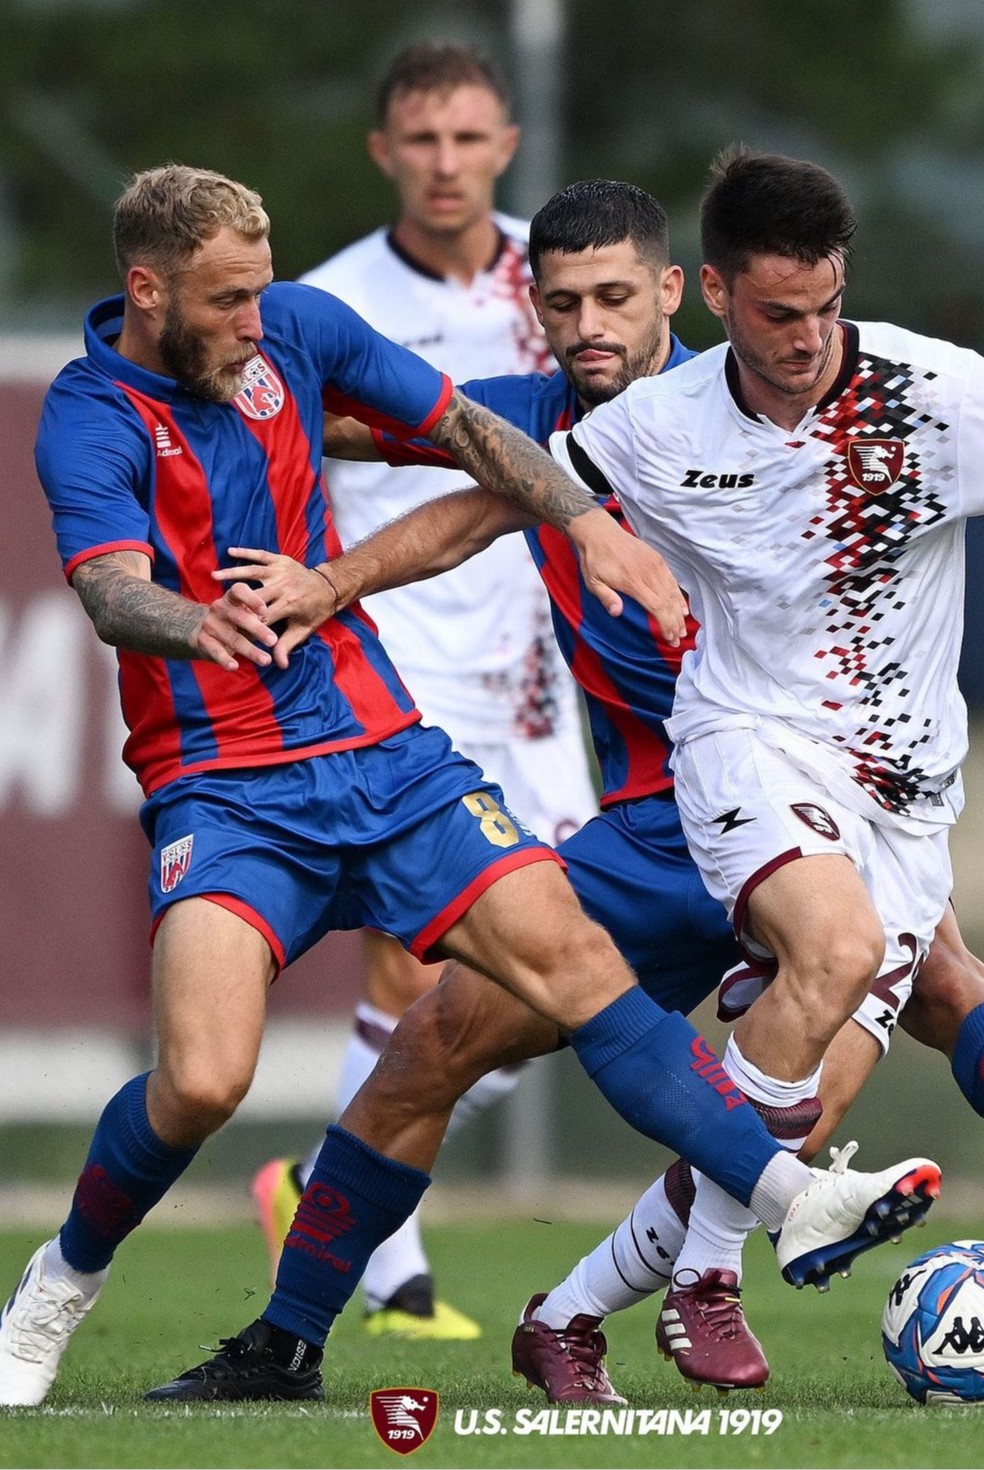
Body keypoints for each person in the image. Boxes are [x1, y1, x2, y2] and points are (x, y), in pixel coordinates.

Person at [0, 163, 932, 1412]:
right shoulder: (90, 413)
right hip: (224, 788)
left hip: (385, 756)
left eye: (262, 294)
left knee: (576, 964)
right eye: (227, 301)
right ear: (147, 291)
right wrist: (195, 623)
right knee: (206, 1081)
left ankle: (790, 1200)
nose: (255, 323)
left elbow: (464, 430)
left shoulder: (295, 331)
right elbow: (109, 590)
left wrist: (588, 524)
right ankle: (62, 1279)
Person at [197, 177, 984, 1403]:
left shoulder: (791, 395)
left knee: (884, 1015)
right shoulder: (550, 427)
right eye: (562, 303)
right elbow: (387, 448)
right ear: (535, 308)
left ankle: (633, 1293)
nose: (588, 326)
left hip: (821, 792)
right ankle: (286, 1344)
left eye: (612, 297)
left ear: (675, 293)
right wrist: (222, 387)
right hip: (661, 820)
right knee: (437, 1043)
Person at [251, 39, 598, 1344]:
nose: (445, 163)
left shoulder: (551, 275)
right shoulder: (330, 301)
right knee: (421, 957)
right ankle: (377, 1248)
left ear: (506, 144)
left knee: (580, 966)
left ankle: (324, 1178)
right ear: (383, 152)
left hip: (538, 669)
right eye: (422, 139)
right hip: (398, 661)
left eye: (468, 138)